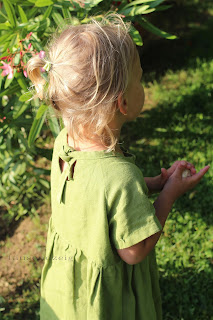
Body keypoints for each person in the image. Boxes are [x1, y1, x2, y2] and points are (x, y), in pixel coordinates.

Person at [27, 14, 210, 320]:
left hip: (68, 285)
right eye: (139, 77)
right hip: (106, 303)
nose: (144, 82)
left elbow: (95, 197)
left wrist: (150, 184)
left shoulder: (64, 143)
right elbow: (134, 251)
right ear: (122, 103)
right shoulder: (120, 178)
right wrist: (168, 196)